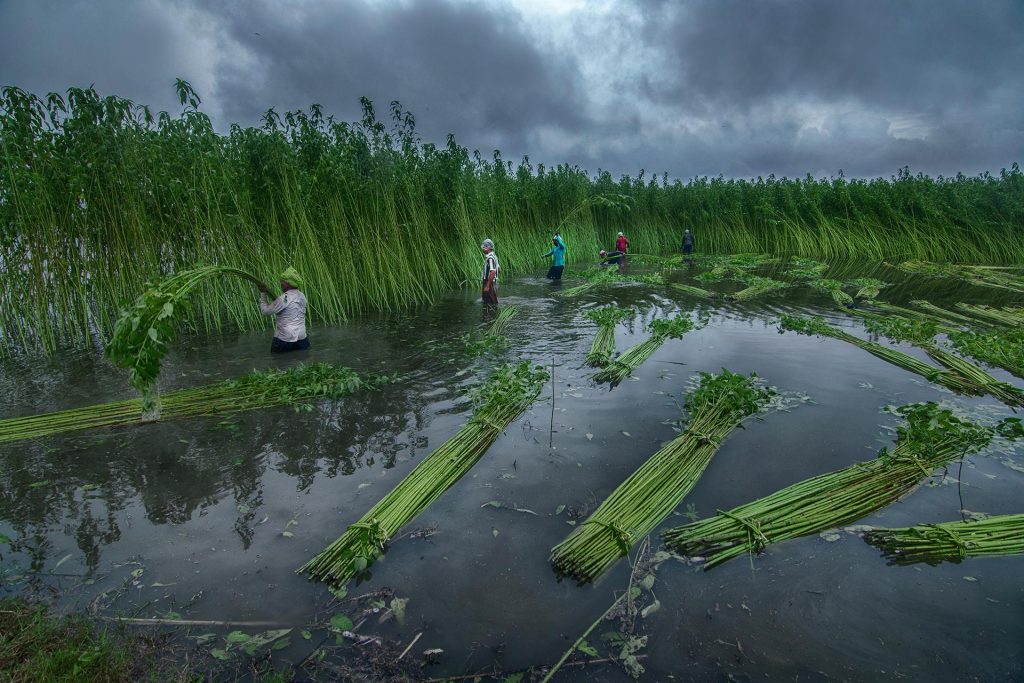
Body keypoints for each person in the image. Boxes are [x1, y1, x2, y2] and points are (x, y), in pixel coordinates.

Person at [258, 266, 310, 353]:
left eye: (282, 281)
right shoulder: (302, 296)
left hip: (285, 339)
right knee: (303, 363)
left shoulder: (284, 298)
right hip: (302, 337)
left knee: (279, 362)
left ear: (287, 283)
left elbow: (265, 311)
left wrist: (263, 293)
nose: (280, 283)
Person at [481, 239, 500, 305]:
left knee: (490, 302)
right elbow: (499, 269)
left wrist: (487, 285)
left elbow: (493, 272)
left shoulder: (490, 258)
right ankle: (491, 314)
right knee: (490, 300)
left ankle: (490, 314)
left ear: (488, 248)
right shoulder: (495, 256)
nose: (482, 249)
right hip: (492, 282)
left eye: (484, 247)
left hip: (489, 282)